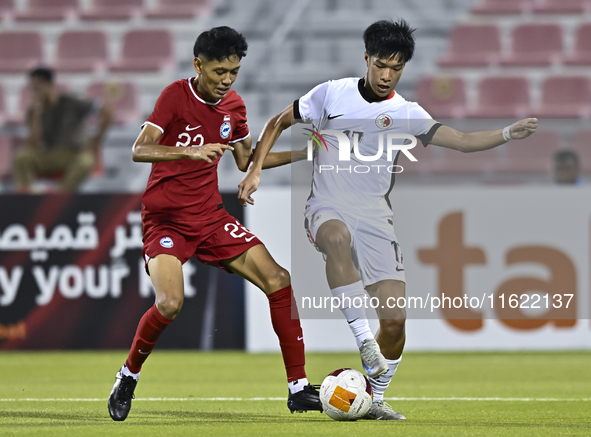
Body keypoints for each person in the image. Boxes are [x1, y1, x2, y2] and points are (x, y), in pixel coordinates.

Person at [238, 19, 538, 420]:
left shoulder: (407, 113)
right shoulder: (331, 94)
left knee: (395, 322)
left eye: (396, 68)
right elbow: (278, 122)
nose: (387, 74)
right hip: (326, 208)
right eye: (381, 64)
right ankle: (364, 340)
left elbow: (463, 142)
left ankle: (373, 397)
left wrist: (506, 133)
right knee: (337, 238)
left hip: (376, 219)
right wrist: (255, 169)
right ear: (366, 58)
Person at [107, 26, 322, 422]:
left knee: (279, 279)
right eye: (219, 71)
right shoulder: (175, 95)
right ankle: (128, 375)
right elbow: (140, 150)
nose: (226, 80)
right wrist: (189, 154)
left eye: (233, 72)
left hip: (211, 218)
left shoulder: (234, 107)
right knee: (170, 303)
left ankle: (298, 389)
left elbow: (246, 160)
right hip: (167, 221)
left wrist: (308, 152)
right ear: (198, 65)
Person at [13, 67, 112, 193]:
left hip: (73, 154)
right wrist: (37, 115)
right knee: (21, 157)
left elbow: (107, 113)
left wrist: (97, 138)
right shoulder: (33, 110)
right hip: (48, 154)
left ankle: (60, 194)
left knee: (86, 161)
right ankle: (29, 195)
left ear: (49, 85)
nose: (36, 92)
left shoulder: (72, 102)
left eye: (38, 87)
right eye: (33, 88)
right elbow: (32, 145)